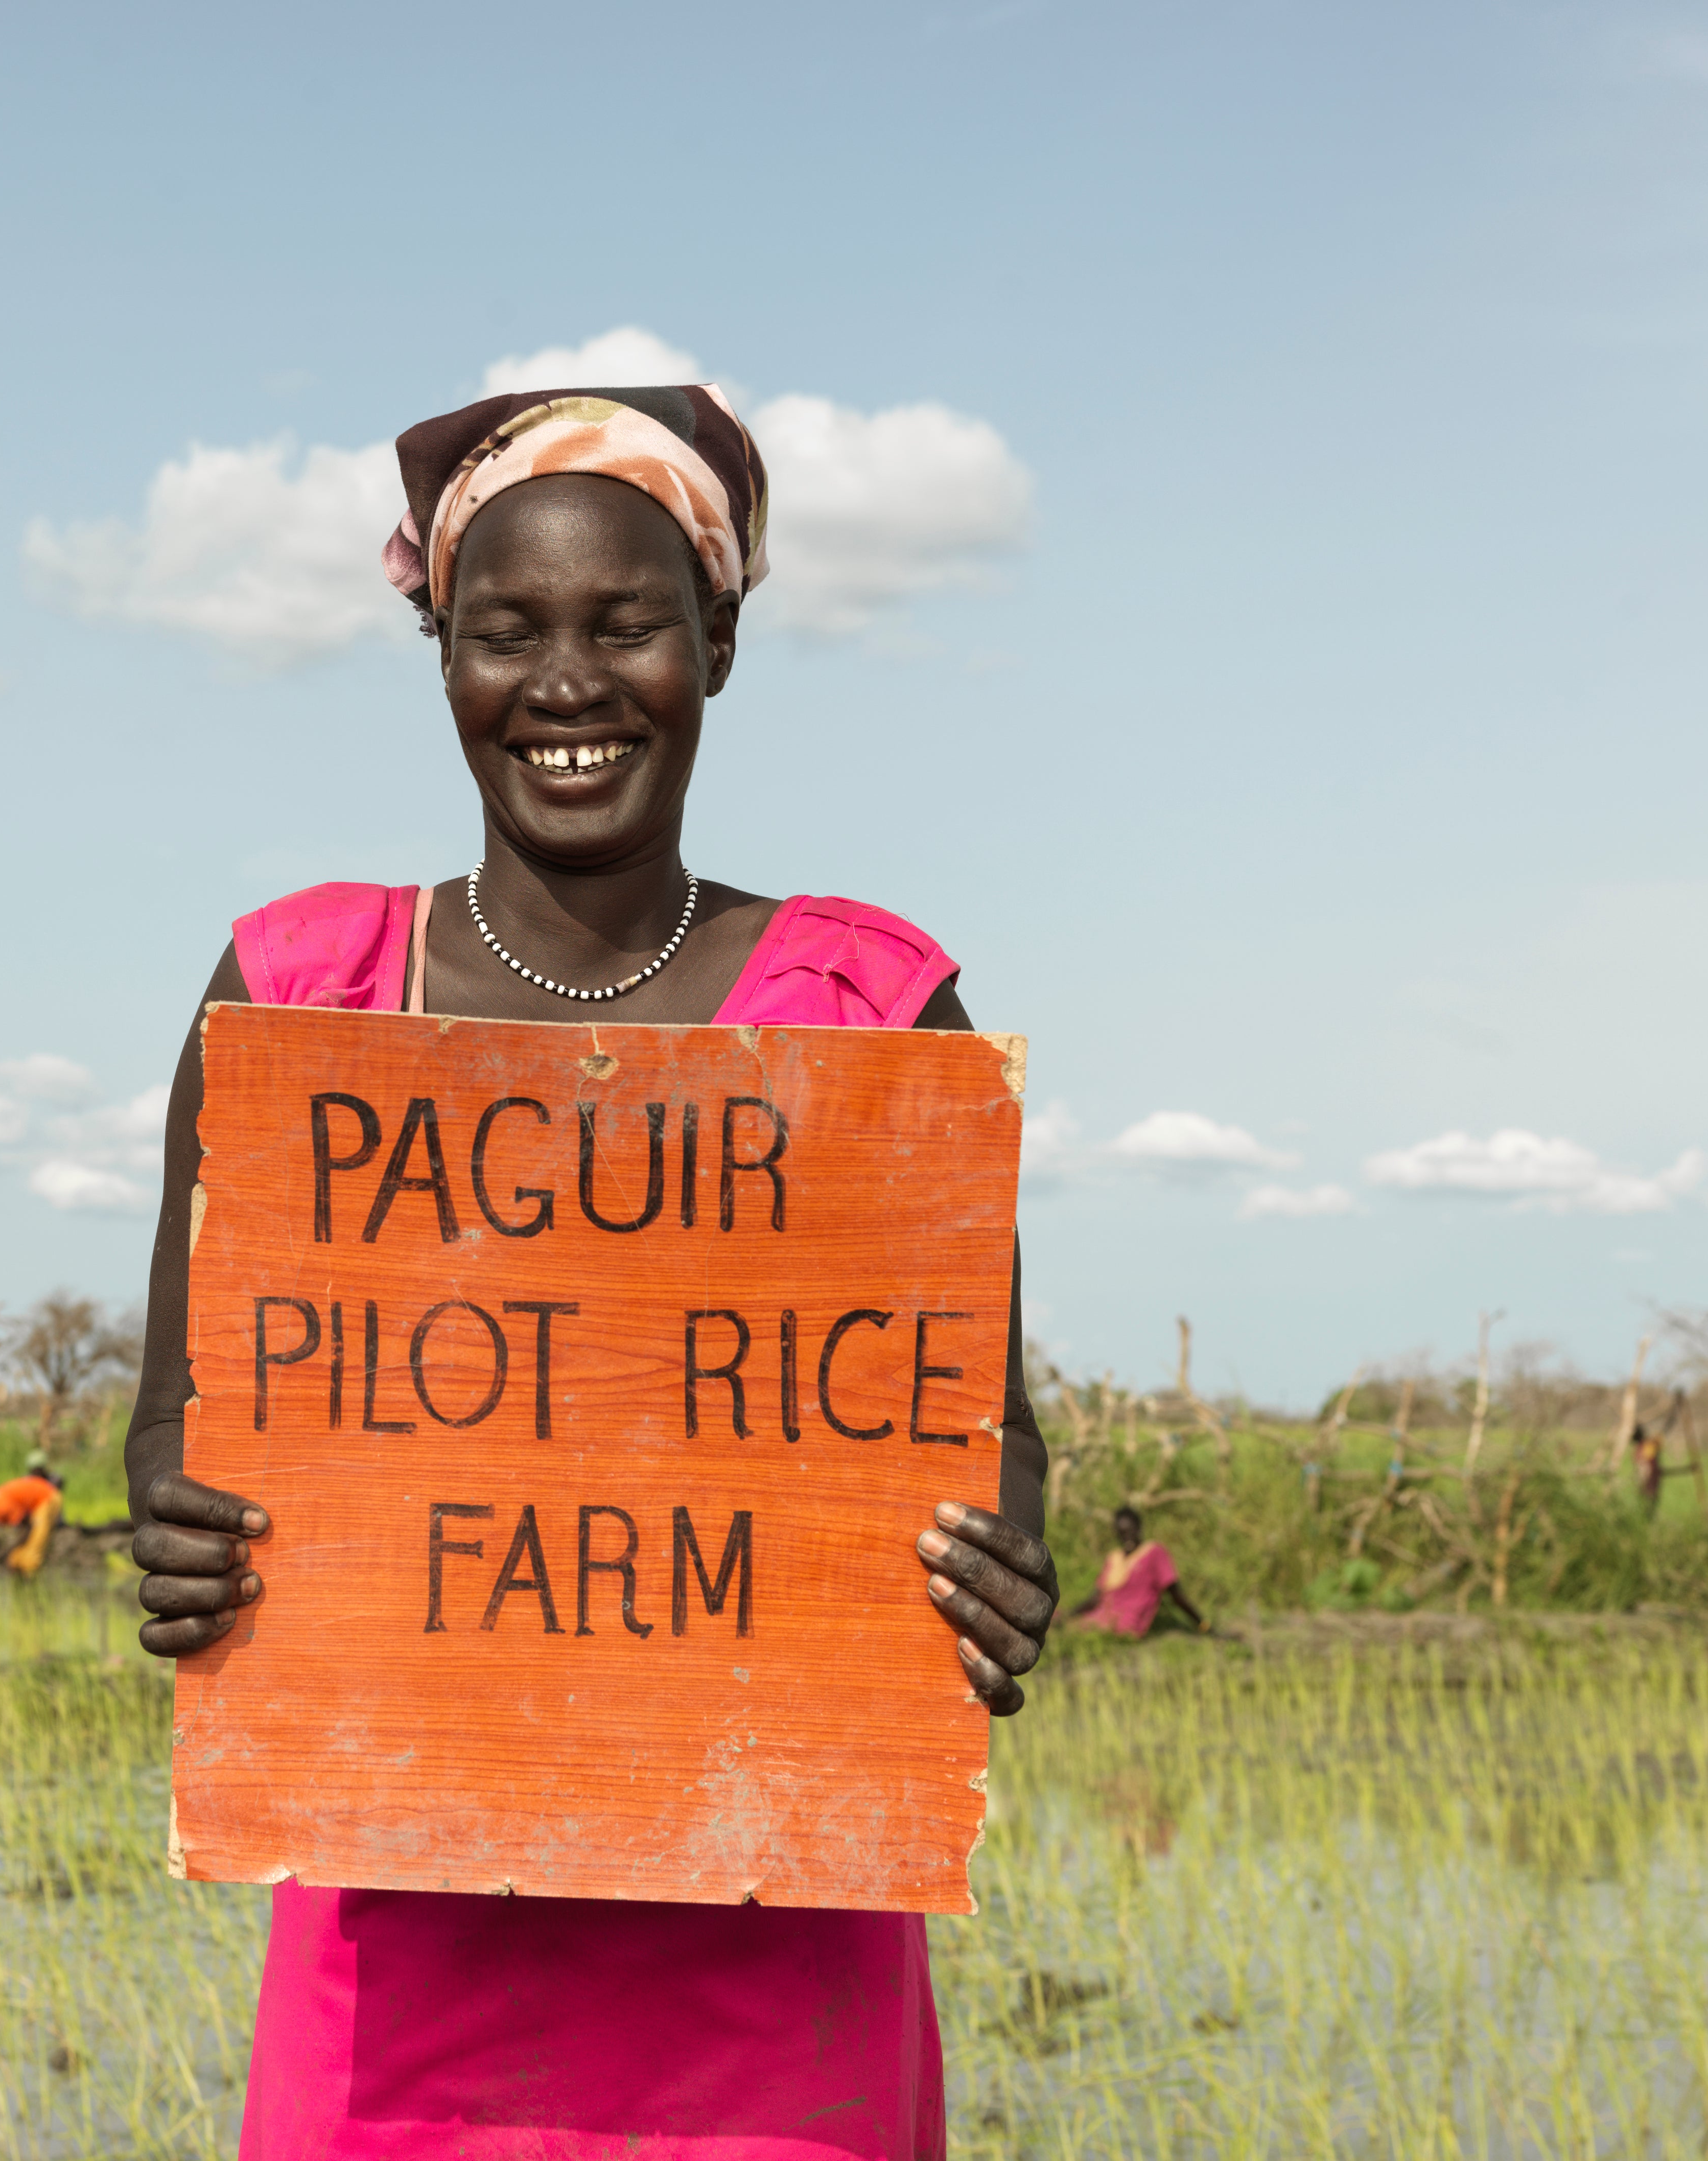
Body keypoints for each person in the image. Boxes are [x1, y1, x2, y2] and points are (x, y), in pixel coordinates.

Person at [121, 380, 1058, 2156]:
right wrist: (177, 1519)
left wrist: (992, 1563)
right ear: (441, 650)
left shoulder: (864, 1008)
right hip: (397, 1981)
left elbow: (977, 1422)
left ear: (714, 640)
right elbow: (177, 1412)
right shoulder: (303, 994)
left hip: (780, 1992)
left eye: (627, 624)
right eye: (506, 631)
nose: (566, 681)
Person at [1062, 1507, 1205, 1638]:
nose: (1127, 1538)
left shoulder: (1154, 1553)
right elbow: (1096, 1599)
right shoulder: (1114, 1558)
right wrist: (1069, 1616)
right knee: (1054, 1619)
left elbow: (1177, 1596)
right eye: (1122, 1534)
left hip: (1126, 1625)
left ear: (1139, 1528)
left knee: (1068, 1631)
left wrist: (1203, 1625)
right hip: (1101, 1617)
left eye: (1130, 1531)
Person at [0, 1462, 64, 1576]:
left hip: (47, 1496)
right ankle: (20, 1579)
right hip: (33, 1508)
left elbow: (28, 1527)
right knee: (14, 1560)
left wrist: (10, 1550)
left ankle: (31, 1576)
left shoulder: (1, 1506)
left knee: (35, 1543)